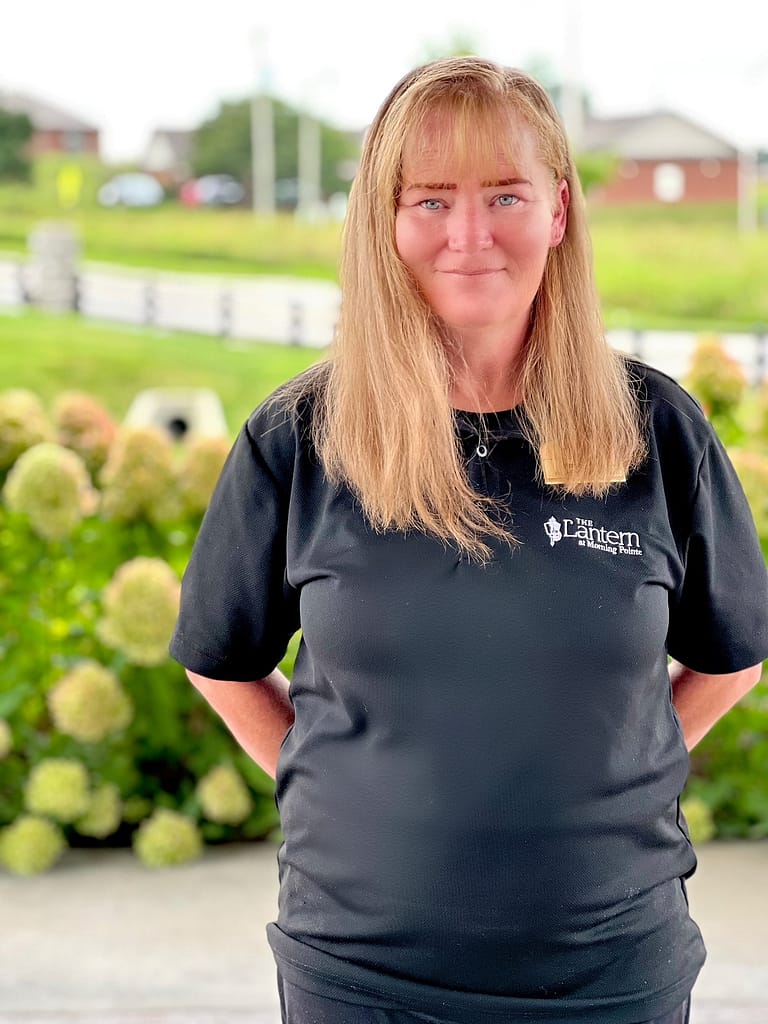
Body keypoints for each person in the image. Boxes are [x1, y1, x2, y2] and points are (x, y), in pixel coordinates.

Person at [169, 57, 768, 1024]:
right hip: (361, 976)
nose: (470, 235)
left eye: (505, 194)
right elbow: (220, 660)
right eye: (431, 199)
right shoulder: (300, 437)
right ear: (385, 221)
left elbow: (730, 659)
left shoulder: (657, 430)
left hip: (610, 973)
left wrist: (616, 764)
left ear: (560, 211)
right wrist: (339, 787)